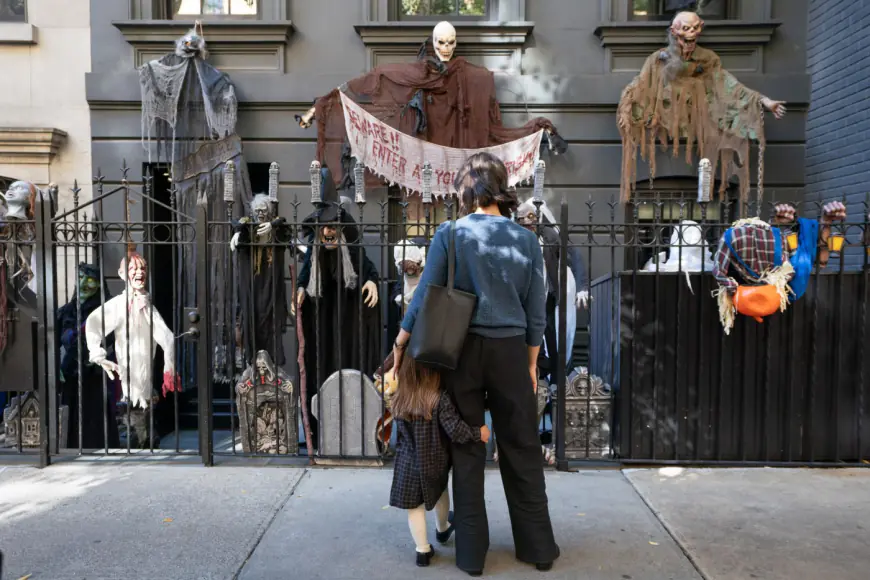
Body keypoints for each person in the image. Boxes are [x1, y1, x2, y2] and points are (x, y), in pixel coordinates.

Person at [391, 152, 560, 576]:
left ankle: (471, 557)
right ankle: (538, 549)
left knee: (468, 451)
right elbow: (536, 311)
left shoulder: (450, 234)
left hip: (461, 352)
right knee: (521, 446)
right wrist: (531, 362)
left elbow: (426, 295)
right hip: (509, 350)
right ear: (501, 188)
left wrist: (399, 343)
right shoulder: (525, 239)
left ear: (467, 191)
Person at [389, 351, 491, 568]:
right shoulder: (438, 398)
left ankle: (422, 551)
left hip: (408, 463)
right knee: (440, 494)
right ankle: (443, 529)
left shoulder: (399, 398)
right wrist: (478, 433)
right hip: (434, 461)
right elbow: (455, 430)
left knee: (414, 508)